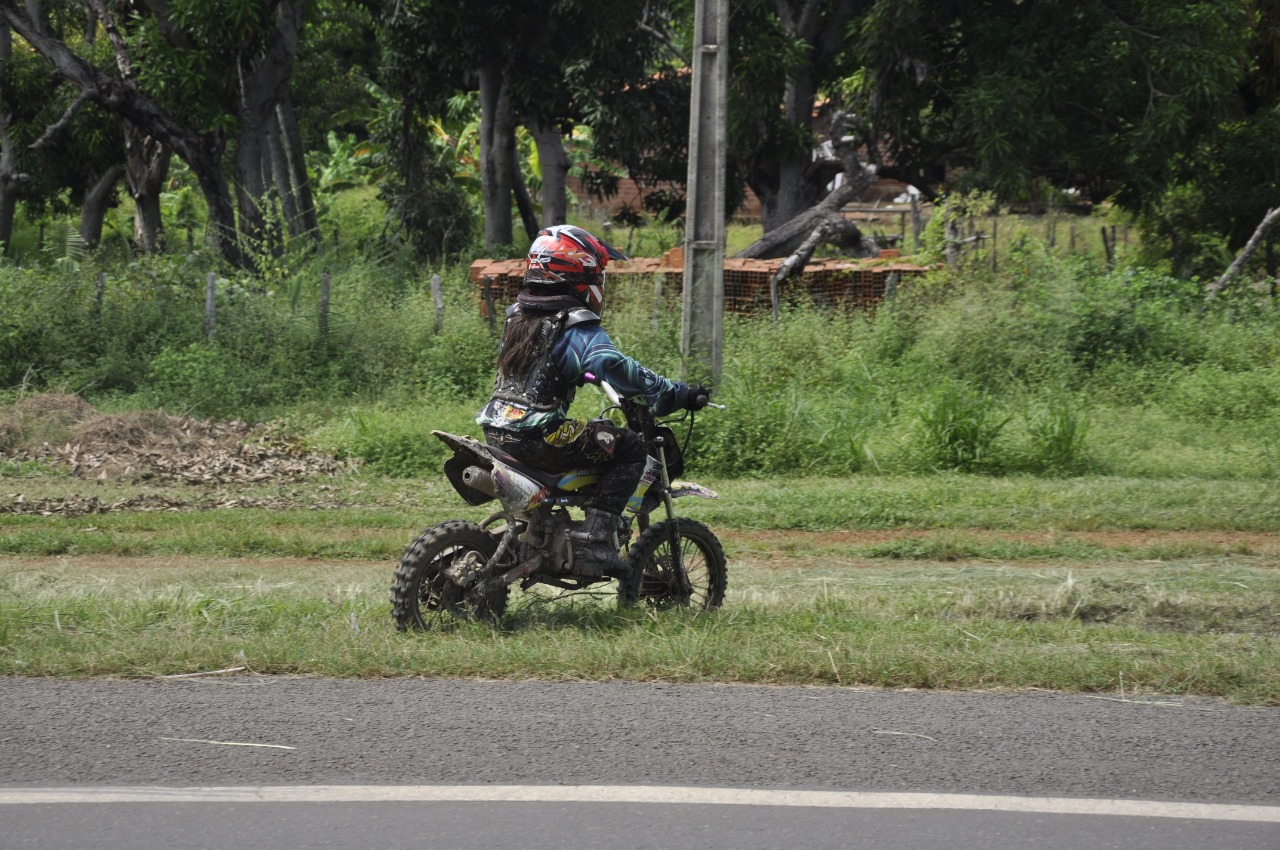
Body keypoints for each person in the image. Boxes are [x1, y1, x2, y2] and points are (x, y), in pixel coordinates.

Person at [477, 224, 709, 579]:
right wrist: (673, 393)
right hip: (541, 437)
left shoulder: (516, 317)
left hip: (497, 431)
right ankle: (597, 542)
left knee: (599, 442)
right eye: (599, 274)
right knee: (629, 448)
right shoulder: (575, 326)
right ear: (580, 273)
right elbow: (614, 366)